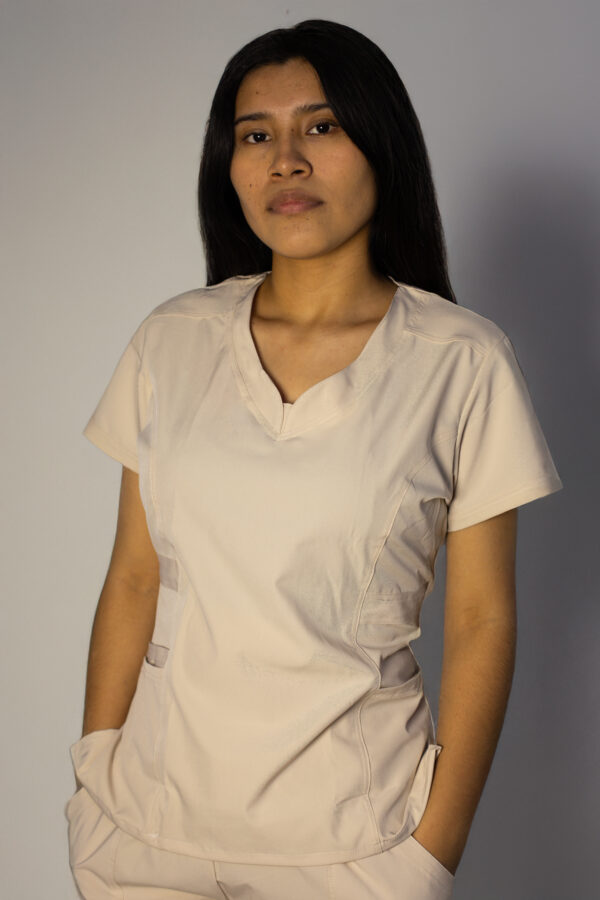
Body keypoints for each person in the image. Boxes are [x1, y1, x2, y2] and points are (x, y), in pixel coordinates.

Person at [65, 18, 563, 900]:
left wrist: (432, 847)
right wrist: (93, 778)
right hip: (143, 832)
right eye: (256, 136)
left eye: (321, 127)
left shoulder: (461, 360)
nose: (285, 162)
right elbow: (135, 576)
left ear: (382, 145)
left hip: (356, 845)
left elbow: (483, 617)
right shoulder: (172, 340)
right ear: (228, 165)